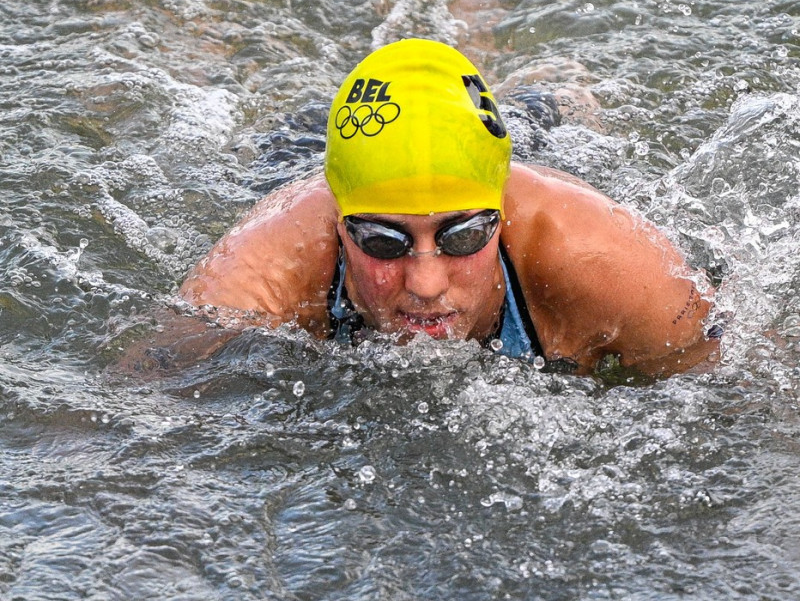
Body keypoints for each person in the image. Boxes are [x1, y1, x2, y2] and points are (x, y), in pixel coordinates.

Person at [174, 38, 719, 377]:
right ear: (339, 230)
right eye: (384, 242)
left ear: (501, 217)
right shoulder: (258, 276)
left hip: (513, 149)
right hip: (304, 151)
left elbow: (743, 391)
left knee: (568, 100)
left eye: (461, 236)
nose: (427, 284)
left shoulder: (604, 259)